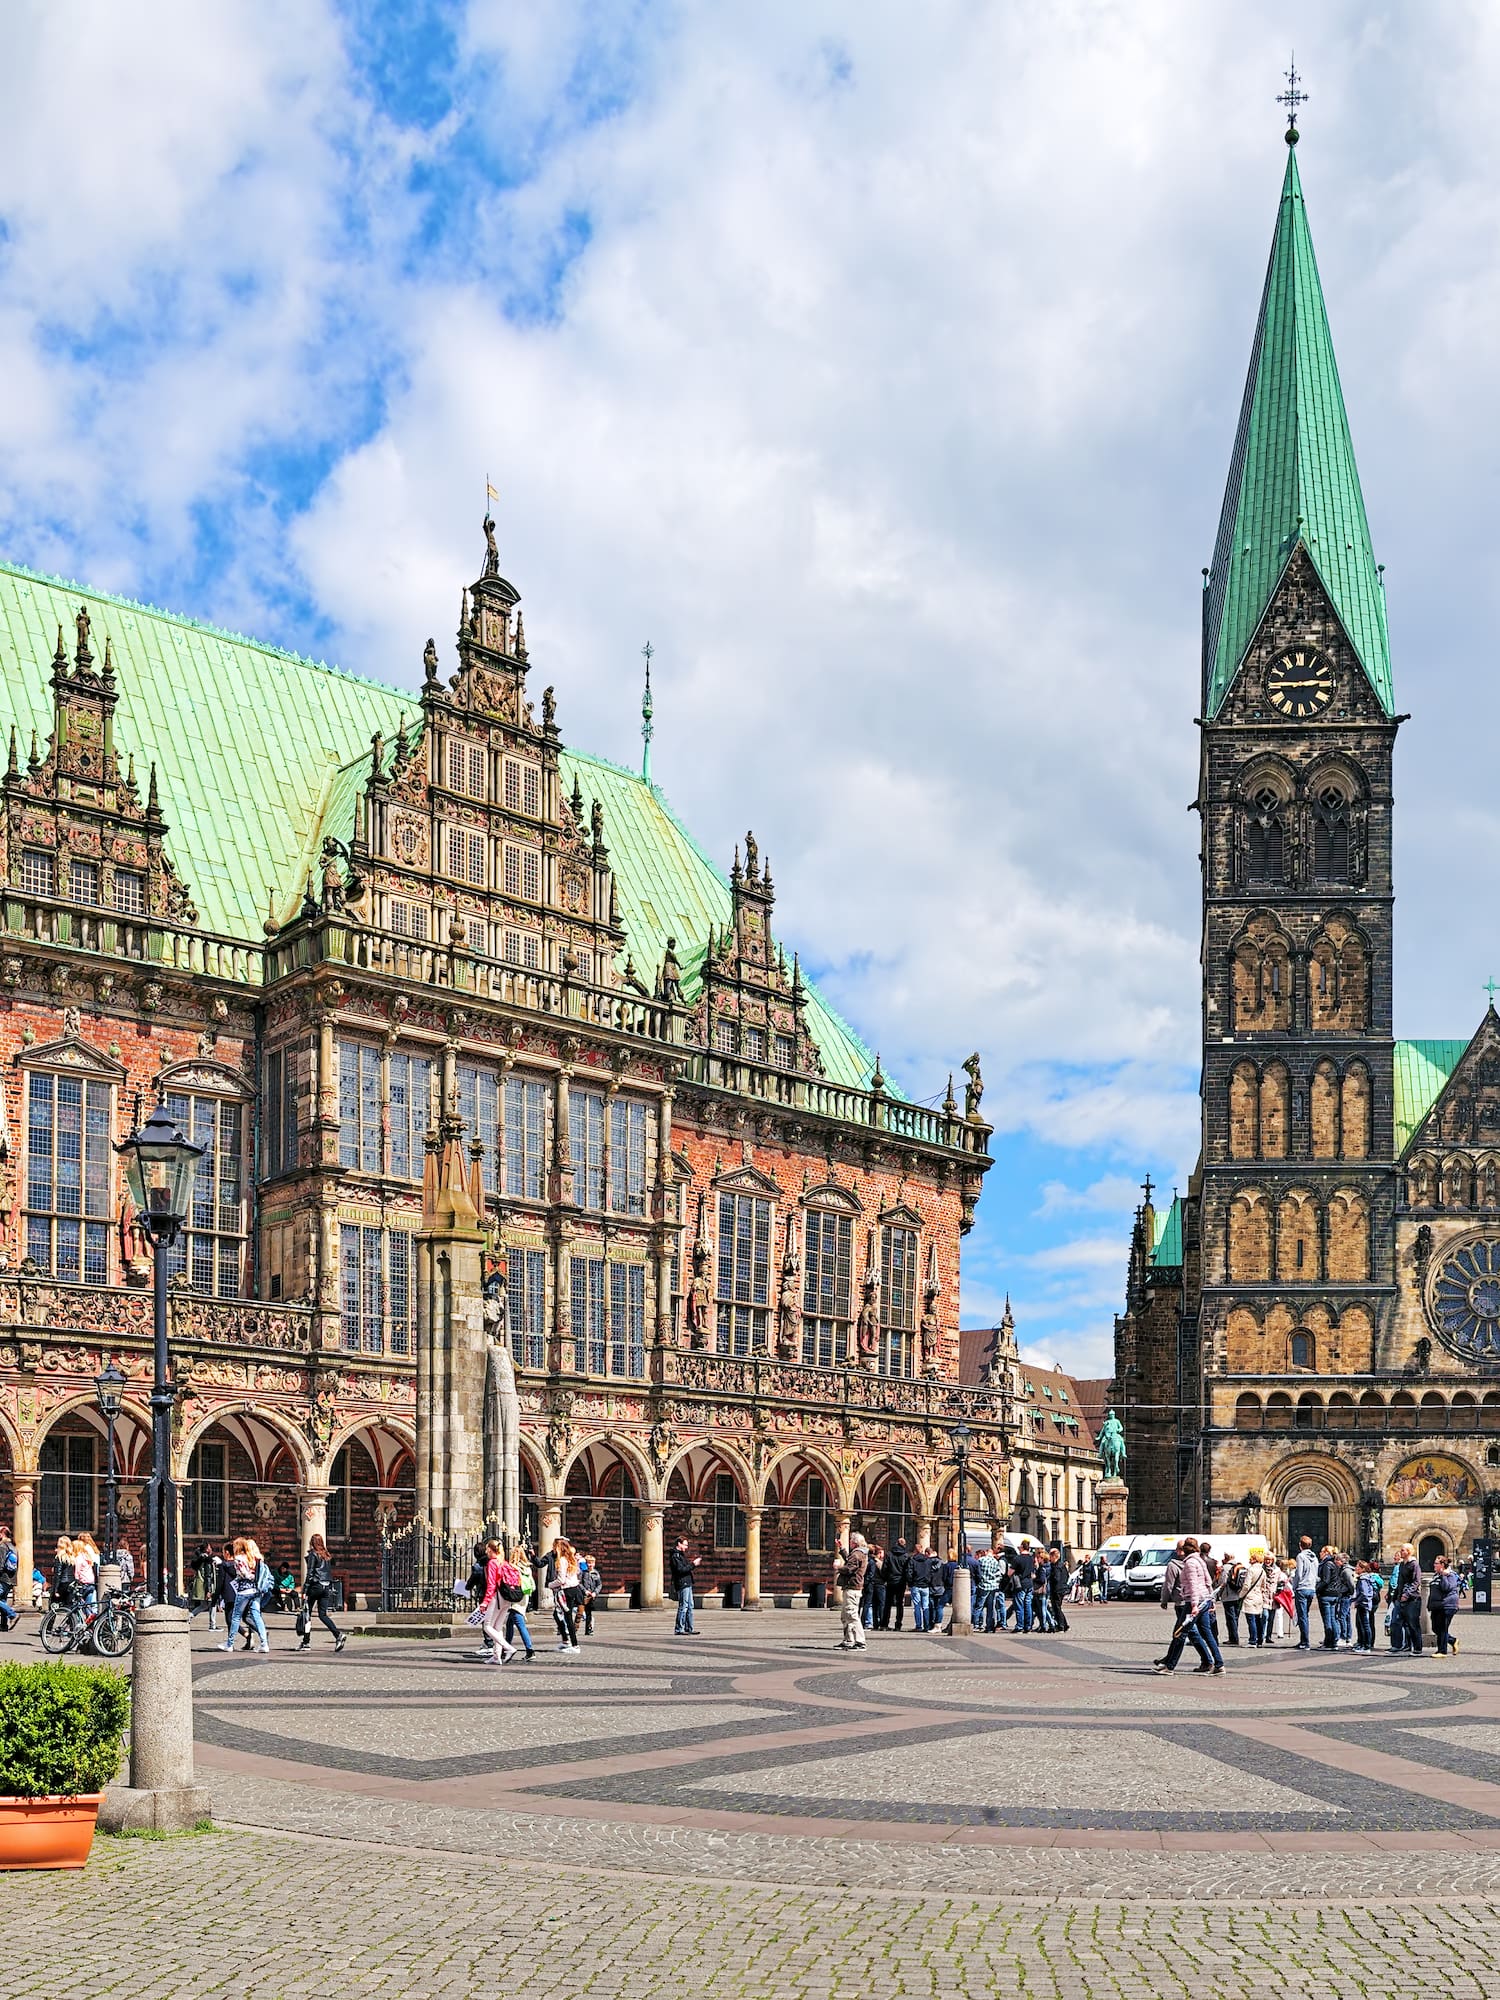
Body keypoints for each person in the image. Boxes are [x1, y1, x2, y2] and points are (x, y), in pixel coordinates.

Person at [219, 1536, 271, 1653]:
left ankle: (230, 1644)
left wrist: (243, 1578)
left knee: (236, 1617)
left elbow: (244, 1574)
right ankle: (264, 1644)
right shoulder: (254, 1558)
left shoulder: (239, 1559)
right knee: (256, 1616)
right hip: (256, 1591)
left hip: (244, 1591)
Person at [474, 1538, 518, 1666]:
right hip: (507, 1597)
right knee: (497, 1627)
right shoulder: (503, 1562)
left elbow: (491, 1584)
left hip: (497, 1597)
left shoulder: (492, 1563)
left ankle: (508, 1648)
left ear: (489, 1549)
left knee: (487, 1626)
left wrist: (485, 1602)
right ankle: (496, 1656)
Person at [300, 1532, 346, 1653]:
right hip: (326, 1586)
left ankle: (306, 1642)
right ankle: (338, 1635)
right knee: (323, 1615)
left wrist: (305, 1590)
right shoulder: (326, 1555)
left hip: (315, 1586)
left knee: (307, 1613)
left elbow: (310, 1573)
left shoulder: (313, 1554)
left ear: (312, 1543)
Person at [548, 1536, 583, 1653]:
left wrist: (550, 1585)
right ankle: (565, 1640)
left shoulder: (562, 1560)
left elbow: (561, 1580)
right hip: (573, 1588)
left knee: (567, 1617)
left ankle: (574, 1644)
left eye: (555, 1547)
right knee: (558, 1615)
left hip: (566, 1590)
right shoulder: (570, 1559)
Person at [834, 1532, 869, 1650]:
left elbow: (849, 1568)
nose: (849, 1542)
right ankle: (848, 1640)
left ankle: (860, 1641)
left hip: (852, 1587)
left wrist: (838, 1567)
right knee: (845, 1615)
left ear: (854, 1542)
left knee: (852, 1615)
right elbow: (850, 1560)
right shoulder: (859, 1553)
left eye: (851, 1540)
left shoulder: (857, 1554)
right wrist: (842, 1549)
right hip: (852, 1587)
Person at [503, 1545, 537, 1661]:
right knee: (509, 1624)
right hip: (524, 1598)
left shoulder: (513, 1568)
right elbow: (533, 1586)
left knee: (521, 1625)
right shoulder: (527, 1568)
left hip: (515, 1599)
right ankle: (506, 1647)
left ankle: (530, 1650)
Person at [1392, 1543, 1424, 1655]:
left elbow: (1416, 1581)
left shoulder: (1414, 1564)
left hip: (1412, 1599)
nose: (1401, 1552)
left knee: (1413, 1624)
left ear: (1409, 1552)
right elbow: (1400, 1581)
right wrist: (1396, 1595)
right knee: (1396, 1622)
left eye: (1403, 1550)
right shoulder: (1402, 1564)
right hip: (1401, 1598)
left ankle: (1417, 1648)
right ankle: (1399, 1645)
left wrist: (1407, 1594)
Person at [1428, 1555, 1460, 1658]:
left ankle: (1442, 1651)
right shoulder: (1436, 1575)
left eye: (1436, 1563)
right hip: (1437, 1606)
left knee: (1442, 1628)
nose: (1434, 1565)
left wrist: (1444, 1576)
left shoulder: (1450, 1575)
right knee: (1435, 1628)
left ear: (1442, 1565)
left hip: (1447, 1605)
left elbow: (1447, 1587)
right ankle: (1452, 1640)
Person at [1241, 1549, 1275, 1648]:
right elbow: (1263, 1586)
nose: (1249, 1559)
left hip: (1250, 1597)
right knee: (1257, 1619)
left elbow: (1246, 1585)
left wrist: (1241, 1595)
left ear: (1255, 1559)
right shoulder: (1262, 1571)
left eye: (1251, 1558)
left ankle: (1252, 1640)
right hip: (1259, 1597)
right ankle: (1259, 1640)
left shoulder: (1251, 1570)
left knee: (1251, 1619)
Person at [669, 1535, 699, 1636]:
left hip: (687, 1582)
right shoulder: (675, 1556)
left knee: (690, 1606)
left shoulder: (680, 1555)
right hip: (682, 1583)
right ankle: (679, 1628)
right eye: (685, 1545)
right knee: (684, 1606)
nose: (686, 1547)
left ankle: (689, 1628)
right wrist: (693, 1564)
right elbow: (681, 1570)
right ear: (679, 1544)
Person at [1293, 1536, 1318, 1651]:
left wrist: (1295, 1586)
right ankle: (1303, 1640)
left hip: (1302, 1588)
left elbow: (1299, 1573)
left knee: (1302, 1616)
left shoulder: (1300, 1556)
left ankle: (1305, 1642)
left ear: (1300, 1545)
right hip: (1311, 1588)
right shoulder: (1315, 1557)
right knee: (1305, 1616)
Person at [187, 1542, 221, 1629]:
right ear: (206, 1549)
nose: (211, 1549)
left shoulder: (199, 1559)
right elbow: (208, 1575)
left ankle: (189, 1616)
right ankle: (212, 1625)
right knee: (212, 1604)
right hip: (206, 1585)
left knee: (204, 1605)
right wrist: (209, 1590)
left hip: (200, 1584)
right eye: (210, 1547)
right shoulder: (207, 1560)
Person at [1221, 1551, 1250, 1647]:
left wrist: (1219, 1592)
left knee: (1230, 1617)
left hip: (1228, 1596)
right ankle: (1234, 1636)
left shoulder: (1226, 1567)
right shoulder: (1241, 1566)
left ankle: (1233, 1638)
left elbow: (1223, 1582)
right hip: (1239, 1595)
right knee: (1235, 1617)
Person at [974, 1544, 1004, 1633]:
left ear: (986, 1552)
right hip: (993, 1586)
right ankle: (990, 1626)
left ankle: (975, 1624)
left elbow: (977, 1573)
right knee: (991, 1607)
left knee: (979, 1606)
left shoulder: (981, 1560)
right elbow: (999, 1574)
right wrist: (995, 1582)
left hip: (983, 1585)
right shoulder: (995, 1561)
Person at [1353, 1559, 1381, 1654]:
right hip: (1365, 1603)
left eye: (1357, 1567)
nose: (1355, 1568)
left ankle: (1366, 1646)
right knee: (1364, 1624)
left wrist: (1357, 1601)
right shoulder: (1366, 1578)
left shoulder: (1363, 1579)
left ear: (1362, 1569)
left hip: (1363, 1604)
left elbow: (1364, 1593)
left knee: (1365, 1625)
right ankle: (1364, 1645)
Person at [882, 1539, 910, 1630]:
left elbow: (884, 1568)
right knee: (899, 1604)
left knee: (888, 1603)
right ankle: (898, 1624)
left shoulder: (889, 1554)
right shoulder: (906, 1556)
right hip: (901, 1582)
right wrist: (906, 1580)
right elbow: (907, 1570)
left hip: (890, 1581)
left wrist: (885, 1579)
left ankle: (884, 1624)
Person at [907, 1541, 935, 1632]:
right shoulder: (928, 1560)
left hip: (916, 1585)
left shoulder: (912, 1560)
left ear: (915, 1550)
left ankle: (918, 1626)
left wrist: (910, 1583)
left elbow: (909, 1573)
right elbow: (930, 1572)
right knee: (925, 1606)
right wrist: (928, 1581)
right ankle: (927, 1625)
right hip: (925, 1585)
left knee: (917, 1606)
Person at [1010, 1539, 1036, 1634]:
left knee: (1019, 1606)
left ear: (1021, 1547)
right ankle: (1028, 1626)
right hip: (1029, 1583)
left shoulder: (1017, 1558)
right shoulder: (1031, 1558)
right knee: (1028, 1605)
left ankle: (1019, 1626)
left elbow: (1010, 1573)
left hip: (1020, 1584)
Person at [1046, 1545, 1070, 1634]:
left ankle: (1061, 1626)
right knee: (1057, 1607)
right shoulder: (1061, 1565)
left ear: (1054, 1556)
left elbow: (1056, 1578)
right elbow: (1067, 1576)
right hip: (1061, 1588)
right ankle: (1065, 1625)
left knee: (1056, 1608)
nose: (1049, 1558)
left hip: (1057, 1589)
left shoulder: (1056, 1566)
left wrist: (1050, 1577)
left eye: (1050, 1556)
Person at [862, 1543, 886, 1630]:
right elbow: (883, 1573)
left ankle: (875, 1623)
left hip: (872, 1585)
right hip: (879, 1584)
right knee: (881, 1604)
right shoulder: (876, 1562)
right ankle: (882, 1623)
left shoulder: (868, 1560)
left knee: (873, 1604)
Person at [0, 1523, 18, 1632]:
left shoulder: (2, 1546)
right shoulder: (13, 1547)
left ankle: (13, 1615)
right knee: (2, 1600)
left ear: (2, 1534)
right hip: (11, 1578)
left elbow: (0, 1565)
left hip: (3, 1578)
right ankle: (3, 1625)